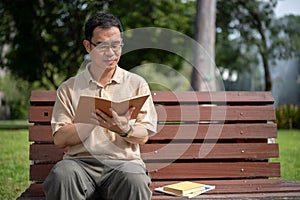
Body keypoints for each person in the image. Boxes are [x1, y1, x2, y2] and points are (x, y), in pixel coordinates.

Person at [43, 12, 157, 200]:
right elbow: (60, 139)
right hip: (80, 164)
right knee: (62, 174)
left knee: (135, 179)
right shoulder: (69, 88)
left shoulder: (137, 84)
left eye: (116, 45)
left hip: (123, 164)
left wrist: (125, 129)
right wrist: (93, 120)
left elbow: (143, 135)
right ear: (88, 46)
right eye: (103, 46)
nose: (111, 53)